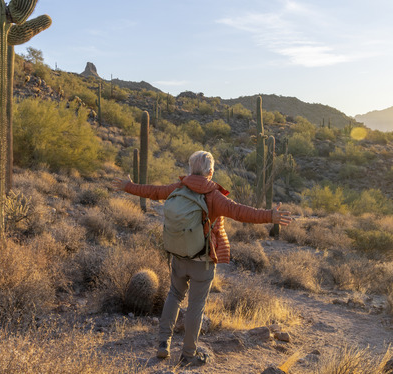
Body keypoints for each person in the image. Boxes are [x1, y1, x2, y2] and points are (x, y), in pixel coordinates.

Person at [112, 150, 292, 366]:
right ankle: (188, 354)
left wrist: (128, 186)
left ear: (190, 168)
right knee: (196, 306)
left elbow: (154, 192)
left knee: (174, 296)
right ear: (210, 171)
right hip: (203, 260)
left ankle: (163, 344)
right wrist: (270, 216)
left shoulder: (178, 188)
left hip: (179, 254)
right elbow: (240, 212)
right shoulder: (214, 196)